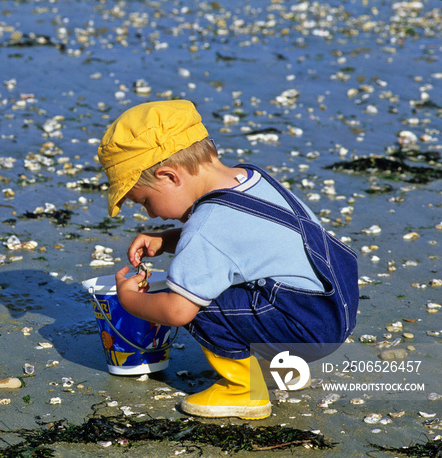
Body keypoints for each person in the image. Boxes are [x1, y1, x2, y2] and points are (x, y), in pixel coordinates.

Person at [96, 100, 359, 420]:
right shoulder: (251, 179)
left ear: (168, 176)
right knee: (215, 279)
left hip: (305, 326)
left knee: (194, 297)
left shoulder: (207, 224)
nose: (150, 213)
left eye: (146, 201)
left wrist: (130, 301)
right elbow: (236, 243)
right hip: (334, 305)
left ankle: (245, 391)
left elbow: (178, 311)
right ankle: (282, 369)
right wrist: (167, 240)